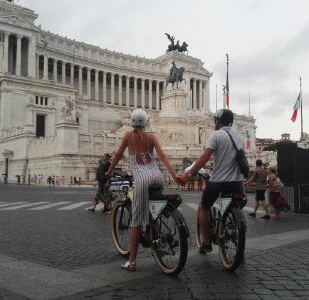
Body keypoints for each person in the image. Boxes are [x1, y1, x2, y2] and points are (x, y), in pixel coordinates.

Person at [105, 109, 181, 271]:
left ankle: (132, 262)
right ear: (146, 122)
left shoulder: (127, 136)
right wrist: (175, 177)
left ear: (132, 122)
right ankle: (156, 238)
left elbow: (118, 155)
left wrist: (109, 171)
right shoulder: (151, 137)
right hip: (157, 177)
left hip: (142, 179)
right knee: (155, 212)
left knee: (136, 221)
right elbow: (163, 157)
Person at [178, 109, 245, 254]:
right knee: (236, 205)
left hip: (218, 180)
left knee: (204, 207)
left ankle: (207, 242)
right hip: (237, 182)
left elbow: (204, 158)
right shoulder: (239, 137)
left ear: (218, 121)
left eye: (215, 120)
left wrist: (188, 174)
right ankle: (234, 226)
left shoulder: (216, 135)